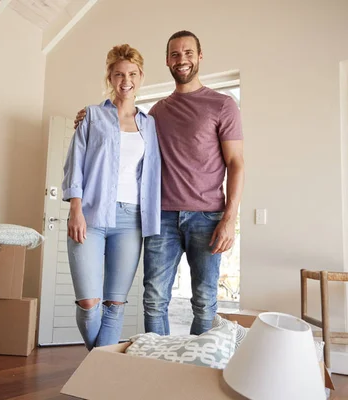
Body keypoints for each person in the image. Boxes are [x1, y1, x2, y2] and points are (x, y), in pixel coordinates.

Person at [74, 31, 244, 336]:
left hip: (207, 217)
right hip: (160, 217)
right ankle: (158, 367)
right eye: (175, 54)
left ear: (200, 56)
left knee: (205, 302)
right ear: (167, 60)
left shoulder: (223, 105)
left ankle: (195, 371)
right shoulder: (156, 113)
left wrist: (230, 220)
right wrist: (89, 116)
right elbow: (120, 126)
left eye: (188, 53)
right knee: (153, 301)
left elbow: (236, 163)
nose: (182, 60)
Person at [62, 44, 161, 350]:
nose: (125, 80)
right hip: (89, 217)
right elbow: (74, 165)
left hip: (131, 221)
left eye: (132, 73)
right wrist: (75, 209)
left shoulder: (151, 124)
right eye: (119, 74)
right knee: (90, 303)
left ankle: (98, 382)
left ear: (141, 76)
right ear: (110, 76)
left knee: (115, 305)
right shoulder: (91, 116)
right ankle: (100, 369)